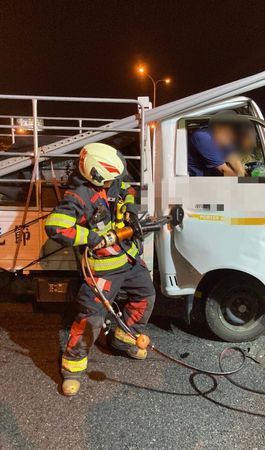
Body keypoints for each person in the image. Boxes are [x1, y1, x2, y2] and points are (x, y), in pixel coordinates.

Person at [45, 143, 155, 396]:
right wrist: (91, 237)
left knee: (145, 296)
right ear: (95, 175)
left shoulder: (112, 179)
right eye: (109, 180)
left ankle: (123, 338)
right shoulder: (78, 196)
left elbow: (127, 188)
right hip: (103, 269)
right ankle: (72, 367)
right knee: (91, 317)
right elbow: (56, 227)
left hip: (129, 258)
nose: (115, 183)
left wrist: (130, 209)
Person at [188, 112, 246, 177]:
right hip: (196, 179)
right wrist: (243, 184)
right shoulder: (204, 137)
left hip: (211, 173)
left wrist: (242, 175)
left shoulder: (226, 135)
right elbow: (225, 171)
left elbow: (232, 157)